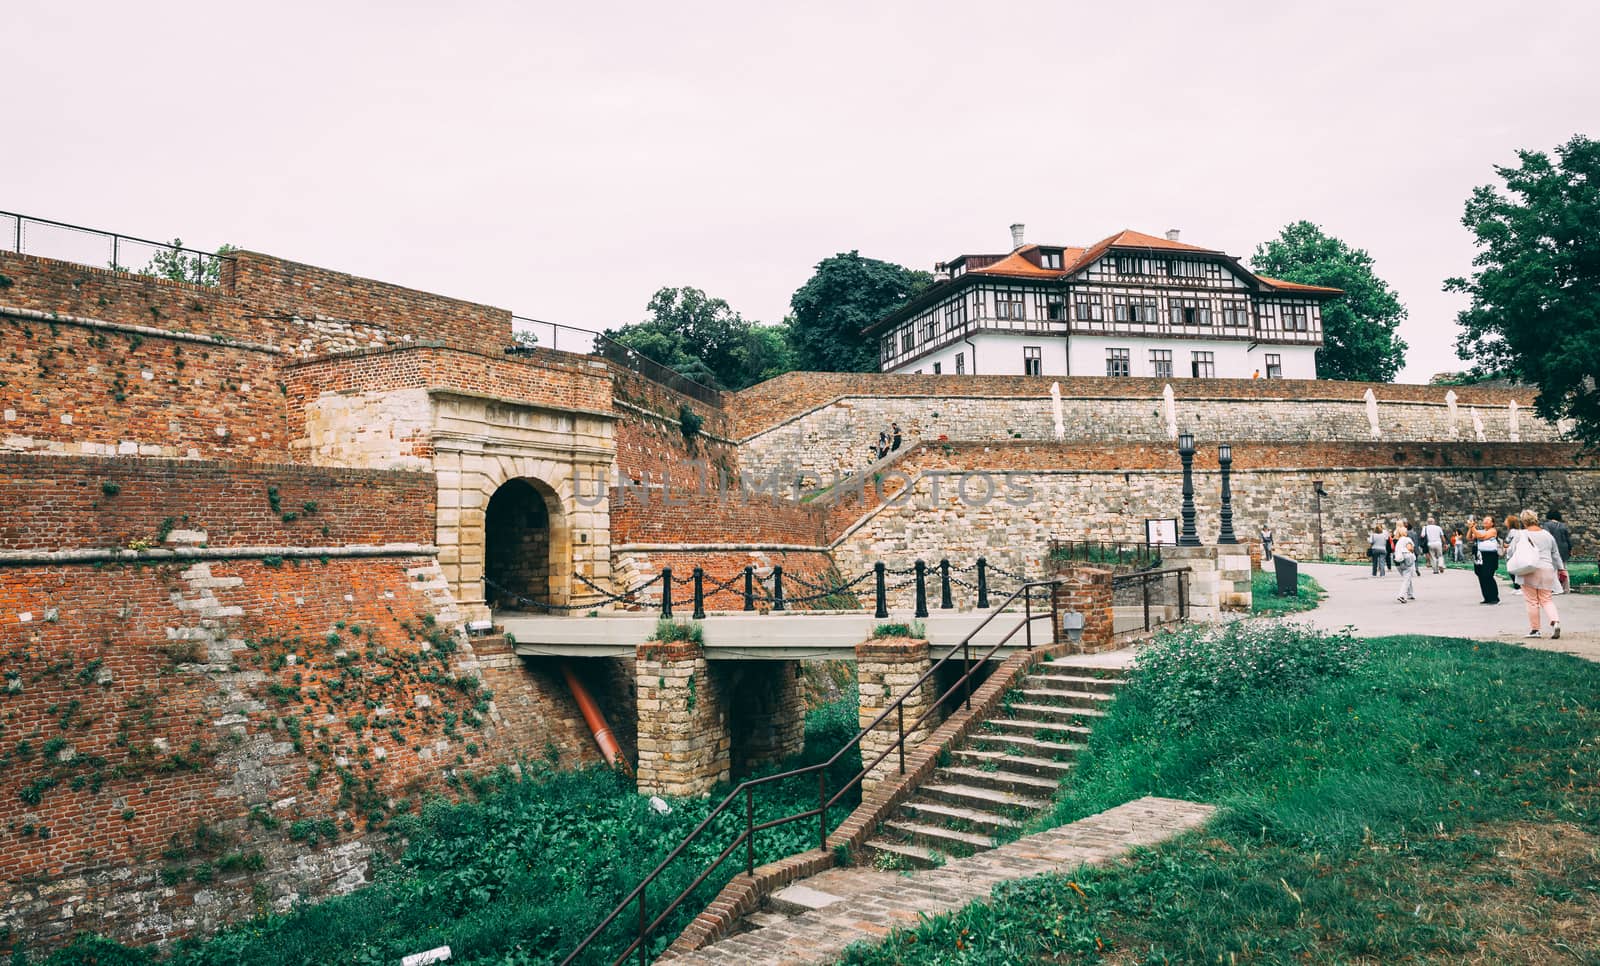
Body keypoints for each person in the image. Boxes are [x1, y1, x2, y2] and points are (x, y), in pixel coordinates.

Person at [1507, 509, 1565, 637]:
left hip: (1529, 569)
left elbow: (1511, 551)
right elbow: (1555, 554)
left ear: (1523, 521)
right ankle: (1555, 622)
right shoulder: (1547, 535)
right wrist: (1561, 568)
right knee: (1547, 599)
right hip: (1547, 569)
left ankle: (1535, 630)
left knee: (1531, 601)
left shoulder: (1521, 534)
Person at [1468, 515, 1501, 604]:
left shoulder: (1493, 531)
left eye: (1488, 520)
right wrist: (1471, 528)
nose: (1485, 521)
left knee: (1488, 575)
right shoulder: (1481, 531)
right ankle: (1487, 597)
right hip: (1480, 556)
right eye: (1484, 520)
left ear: (1492, 523)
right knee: (1481, 576)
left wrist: (1473, 528)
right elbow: (1469, 537)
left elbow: (1482, 537)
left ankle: (1494, 597)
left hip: (1490, 556)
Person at [1393, 524, 1417, 602]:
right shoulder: (1407, 539)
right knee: (1407, 579)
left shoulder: (1398, 541)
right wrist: (1413, 550)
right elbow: (1410, 548)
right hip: (1407, 560)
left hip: (1398, 561)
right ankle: (1402, 595)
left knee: (1407, 577)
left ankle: (1410, 594)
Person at [1503, 514, 1524, 595]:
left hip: (1512, 553)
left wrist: (1505, 545)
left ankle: (1518, 587)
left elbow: (1507, 542)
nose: (1505, 522)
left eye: (1506, 521)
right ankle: (1517, 587)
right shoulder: (1517, 531)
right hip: (1514, 552)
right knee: (1514, 570)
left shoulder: (1512, 532)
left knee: (1512, 570)